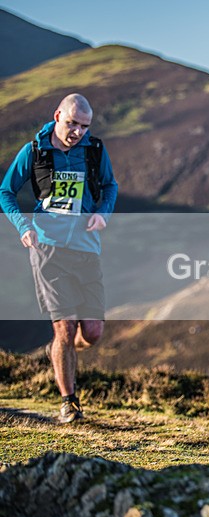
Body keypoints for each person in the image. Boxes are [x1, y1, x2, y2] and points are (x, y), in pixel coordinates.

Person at [1, 93, 118, 423]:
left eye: (84, 126)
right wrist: (23, 226)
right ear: (57, 116)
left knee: (91, 333)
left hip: (86, 248)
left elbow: (110, 186)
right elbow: (5, 191)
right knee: (65, 328)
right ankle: (70, 402)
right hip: (48, 250)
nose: (78, 131)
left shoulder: (94, 151)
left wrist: (102, 215)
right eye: (72, 123)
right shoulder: (35, 151)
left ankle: (61, 350)